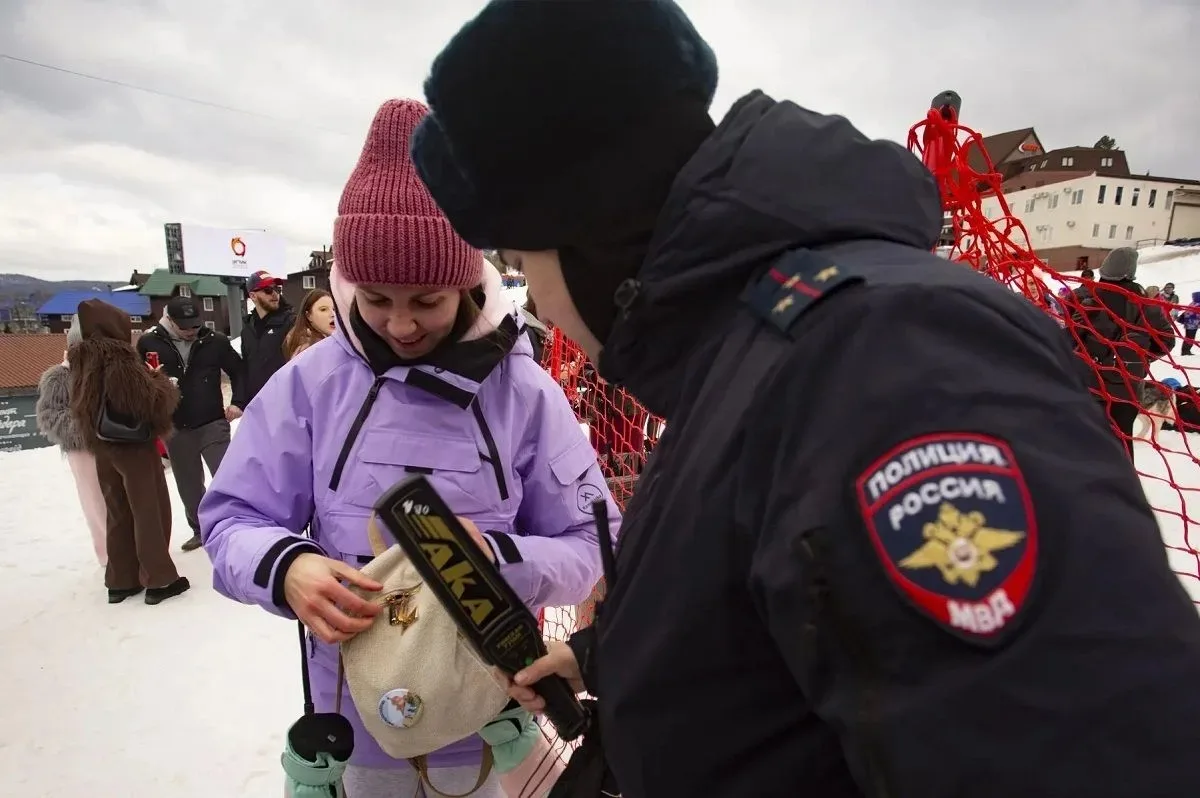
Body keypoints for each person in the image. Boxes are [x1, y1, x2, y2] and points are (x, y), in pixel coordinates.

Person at [410, 3, 1200, 796]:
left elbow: (1072, 745)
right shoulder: (757, 353)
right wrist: (599, 655)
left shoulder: (884, 354)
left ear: (585, 228)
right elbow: (785, 609)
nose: (537, 305)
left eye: (522, 259)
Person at [200, 99, 612, 798]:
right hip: (354, 721)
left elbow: (597, 543)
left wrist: (503, 559)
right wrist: (289, 567)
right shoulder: (311, 384)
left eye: (426, 299)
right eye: (377, 297)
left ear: (463, 277)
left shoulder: (524, 394)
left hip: (487, 717)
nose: (401, 323)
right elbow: (231, 518)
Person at [69, 298, 189, 605]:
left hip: (102, 446)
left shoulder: (81, 359)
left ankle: (121, 580)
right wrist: (160, 380)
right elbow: (149, 404)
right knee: (149, 509)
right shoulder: (118, 357)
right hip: (133, 447)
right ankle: (160, 579)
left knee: (117, 511)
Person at [138, 296, 246, 552]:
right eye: (185, 326)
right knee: (188, 484)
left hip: (212, 421)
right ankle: (200, 529)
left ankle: (235, 524)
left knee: (226, 476)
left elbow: (239, 370)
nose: (191, 331)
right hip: (174, 426)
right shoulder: (149, 343)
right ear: (170, 321)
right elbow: (137, 383)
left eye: (195, 325)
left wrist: (238, 402)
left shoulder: (214, 341)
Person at [1072, 247, 1175, 457]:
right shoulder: (1146, 305)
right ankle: (1121, 487)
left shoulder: (1089, 300)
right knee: (1122, 446)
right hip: (1127, 389)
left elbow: (1071, 338)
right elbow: (1167, 341)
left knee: (1086, 444)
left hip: (1091, 386)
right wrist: (1140, 358)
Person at [36, 315, 106, 566]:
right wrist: (85, 431)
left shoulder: (106, 371)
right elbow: (50, 415)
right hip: (83, 450)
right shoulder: (58, 377)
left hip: (114, 444)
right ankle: (108, 556)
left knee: (120, 500)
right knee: (95, 501)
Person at [240, 270, 296, 405]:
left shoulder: (291, 323)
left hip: (284, 404)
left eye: (277, 289)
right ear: (252, 296)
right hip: (256, 405)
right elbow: (246, 370)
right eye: (267, 290)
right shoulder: (247, 330)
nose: (275, 294)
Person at [282, 288, 335, 359]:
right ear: (308, 315)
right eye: (323, 309)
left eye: (334, 309)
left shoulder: (328, 343)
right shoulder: (310, 350)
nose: (333, 314)